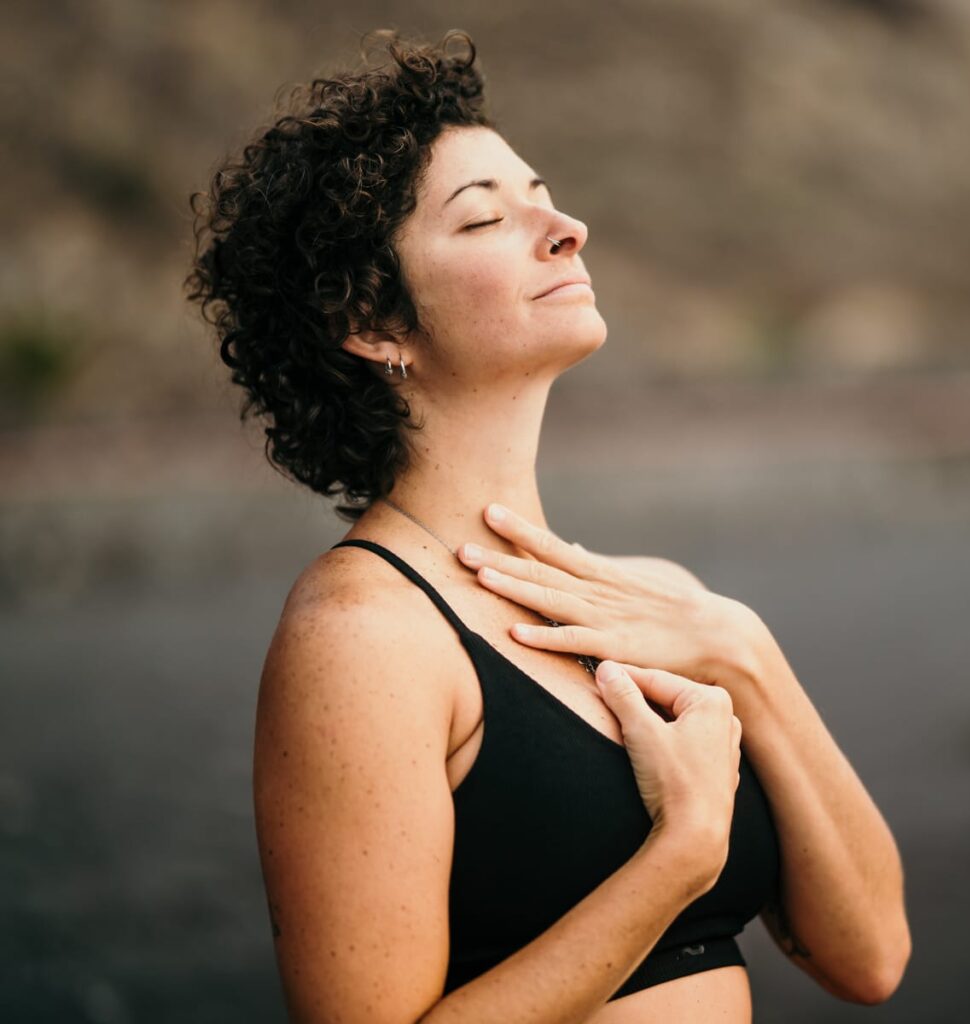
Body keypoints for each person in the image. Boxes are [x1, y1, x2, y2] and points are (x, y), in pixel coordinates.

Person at [185, 28, 911, 1023]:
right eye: (484, 219)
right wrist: (681, 855)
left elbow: (869, 956)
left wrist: (746, 655)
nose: (566, 227)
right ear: (371, 322)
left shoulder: (670, 600)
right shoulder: (364, 635)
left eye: (545, 198)